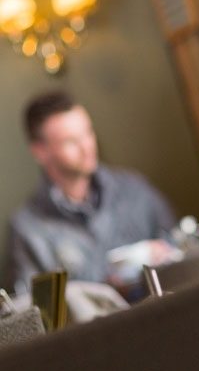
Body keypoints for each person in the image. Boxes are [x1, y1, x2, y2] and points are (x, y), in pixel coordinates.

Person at [6, 91, 177, 295]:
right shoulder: (27, 229)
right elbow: (32, 314)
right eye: (70, 141)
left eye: (88, 133)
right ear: (40, 152)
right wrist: (105, 284)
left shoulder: (134, 190)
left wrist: (165, 252)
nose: (86, 147)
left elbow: (178, 245)